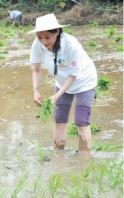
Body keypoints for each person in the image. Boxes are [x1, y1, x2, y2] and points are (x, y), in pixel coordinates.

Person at [28, 13, 97, 152]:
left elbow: (73, 75)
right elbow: (35, 70)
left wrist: (57, 96)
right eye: (40, 37)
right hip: (62, 83)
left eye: (47, 37)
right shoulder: (38, 45)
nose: (44, 42)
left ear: (57, 32)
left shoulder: (70, 45)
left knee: (81, 121)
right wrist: (36, 91)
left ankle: (84, 159)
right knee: (59, 119)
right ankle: (58, 155)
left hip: (84, 81)